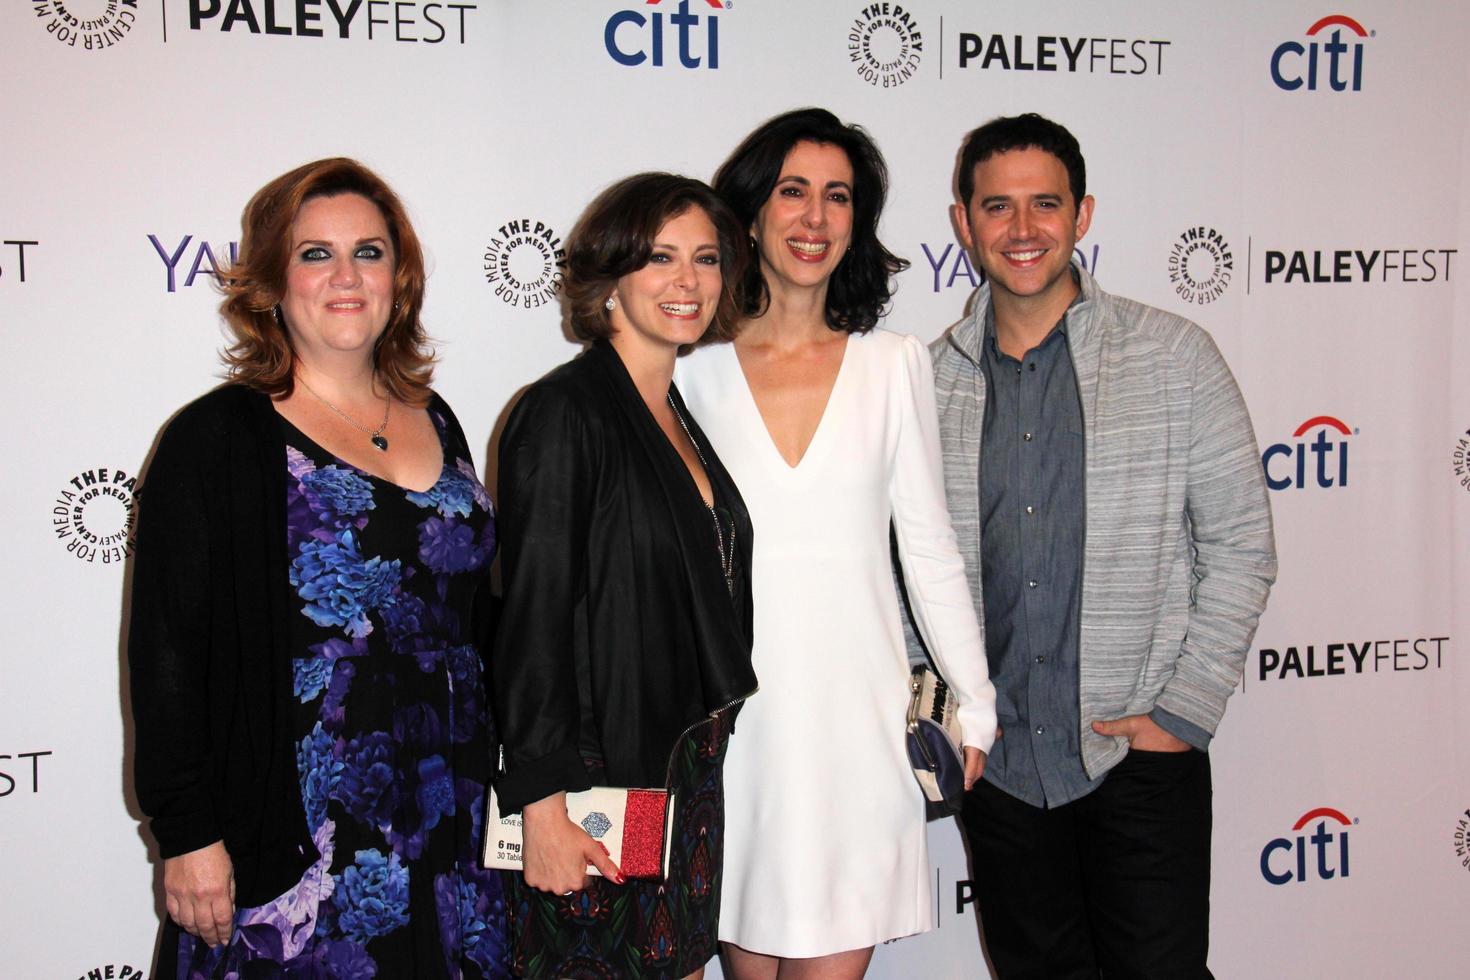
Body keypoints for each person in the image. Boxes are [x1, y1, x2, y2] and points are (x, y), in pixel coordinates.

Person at [128, 158, 508, 979]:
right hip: (301, 817)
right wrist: (188, 831)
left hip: (451, 801)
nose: (346, 276)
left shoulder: (435, 417)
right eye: (315, 254)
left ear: (398, 279)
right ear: (271, 279)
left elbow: (469, 607)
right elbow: (166, 652)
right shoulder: (218, 438)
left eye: (369, 253)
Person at [925, 113, 1278, 978]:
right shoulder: (926, 383)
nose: (1022, 230)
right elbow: (906, 571)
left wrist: (1183, 710)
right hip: (999, 772)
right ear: (964, 222)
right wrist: (940, 716)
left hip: (1137, 759)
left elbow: (1240, 546)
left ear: (1082, 215)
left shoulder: (1175, 358)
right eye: (997, 207)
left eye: (1044, 204)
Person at [675, 107, 997, 979]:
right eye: (792, 192)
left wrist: (975, 697)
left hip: (857, 723)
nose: (814, 218)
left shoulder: (893, 364)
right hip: (737, 727)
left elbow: (927, 548)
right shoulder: (689, 373)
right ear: (750, 213)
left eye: (838, 197)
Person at [492, 172, 757, 980]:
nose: (688, 281)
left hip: (675, 774)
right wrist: (540, 805)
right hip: (594, 787)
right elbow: (530, 617)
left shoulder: (675, 414)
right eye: (661, 257)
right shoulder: (566, 413)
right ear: (610, 275)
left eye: (706, 259)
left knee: (666, 967)